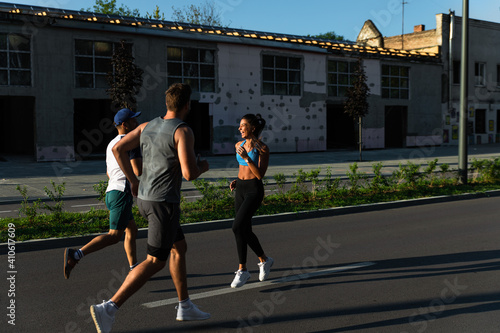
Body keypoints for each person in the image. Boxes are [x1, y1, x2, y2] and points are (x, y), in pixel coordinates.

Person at [90, 83, 210, 333]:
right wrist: (204, 167)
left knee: (179, 247)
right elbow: (189, 173)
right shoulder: (182, 130)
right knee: (155, 261)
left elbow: (117, 148)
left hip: (144, 198)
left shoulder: (147, 126)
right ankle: (109, 308)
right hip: (163, 203)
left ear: (167, 104)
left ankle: (184, 305)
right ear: (187, 105)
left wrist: (133, 181)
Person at [64, 108, 142, 279]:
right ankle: (76, 254)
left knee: (132, 229)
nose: (136, 123)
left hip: (112, 192)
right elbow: (138, 169)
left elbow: (108, 172)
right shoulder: (132, 142)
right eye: (133, 121)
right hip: (122, 192)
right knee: (114, 236)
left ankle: (134, 267)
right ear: (125, 125)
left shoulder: (111, 144)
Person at [229, 113, 273, 288]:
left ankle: (243, 269)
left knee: (237, 226)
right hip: (240, 188)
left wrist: (247, 157)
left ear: (252, 128)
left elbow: (259, 175)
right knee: (243, 229)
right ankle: (262, 261)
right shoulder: (238, 145)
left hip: (254, 191)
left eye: (243, 125)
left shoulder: (262, 148)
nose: (239, 128)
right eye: (239, 125)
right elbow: (242, 169)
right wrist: (237, 180)